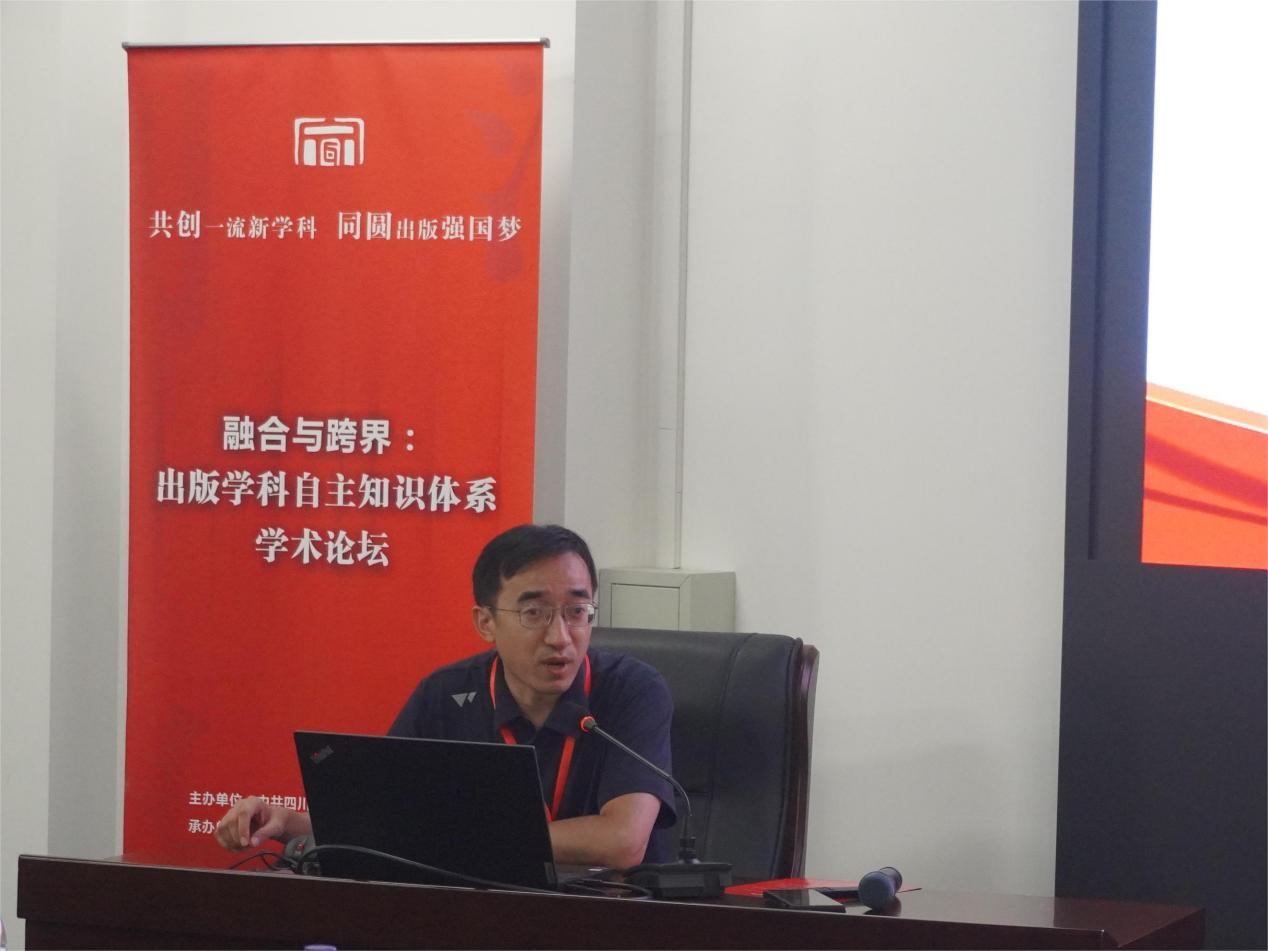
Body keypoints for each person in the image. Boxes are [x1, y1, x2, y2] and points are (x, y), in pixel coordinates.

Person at [215, 523, 676, 870]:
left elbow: (622, 841)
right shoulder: (445, 694)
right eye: (534, 613)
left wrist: (454, 838)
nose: (560, 636)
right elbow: (381, 820)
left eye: (577, 611)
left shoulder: (631, 690)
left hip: (608, 922)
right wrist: (286, 822)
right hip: (477, 917)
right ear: (485, 623)